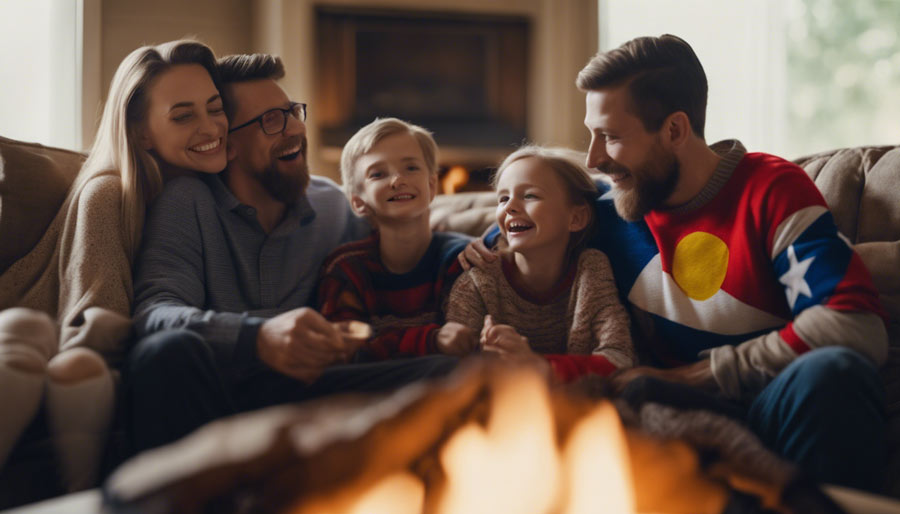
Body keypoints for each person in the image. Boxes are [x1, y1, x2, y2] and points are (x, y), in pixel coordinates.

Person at [573, 34, 887, 490]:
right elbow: (511, 232)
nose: (594, 158)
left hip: (772, 407)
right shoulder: (602, 211)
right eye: (591, 136)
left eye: (611, 137)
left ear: (675, 130)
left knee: (834, 373)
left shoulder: (770, 188)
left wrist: (696, 375)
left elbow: (856, 326)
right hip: (668, 423)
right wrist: (461, 256)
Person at [126, 55, 458, 455]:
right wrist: (258, 338)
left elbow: (409, 239)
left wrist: (470, 247)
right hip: (220, 398)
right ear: (227, 144)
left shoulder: (337, 207)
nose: (295, 129)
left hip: (311, 394)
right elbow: (155, 311)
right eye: (271, 120)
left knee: (453, 373)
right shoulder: (187, 203)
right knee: (162, 355)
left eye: (291, 112)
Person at [0, 39, 227, 491]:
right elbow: (92, 319)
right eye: (183, 115)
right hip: (39, 335)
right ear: (141, 132)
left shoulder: (213, 198)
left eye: (215, 107)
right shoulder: (110, 193)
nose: (210, 127)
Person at [446, 146, 635, 382]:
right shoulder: (478, 280)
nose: (509, 207)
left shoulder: (591, 269)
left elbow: (620, 358)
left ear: (575, 218)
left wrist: (538, 365)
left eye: (529, 195)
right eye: (503, 198)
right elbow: (452, 367)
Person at [317, 118, 474, 360]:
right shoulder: (346, 268)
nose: (398, 180)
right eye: (378, 174)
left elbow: (463, 343)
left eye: (411, 168)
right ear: (358, 202)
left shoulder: (459, 257)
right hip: (374, 384)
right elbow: (343, 351)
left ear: (432, 185)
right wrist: (429, 340)